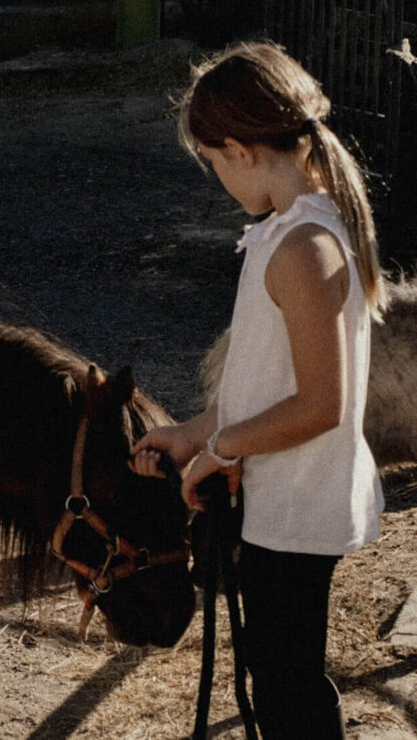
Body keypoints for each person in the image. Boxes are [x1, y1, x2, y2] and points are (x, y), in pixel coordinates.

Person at [130, 41, 386, 738]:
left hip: (299, 505)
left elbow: (320, 404)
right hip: (280, 495)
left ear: (240, 149)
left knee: (289, 684)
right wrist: (192, 433)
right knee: (276, 674)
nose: (217, 178)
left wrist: (221, 447)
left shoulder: (306, 248)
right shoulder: (283, 232)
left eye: (213, 163)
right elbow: (267, 381)